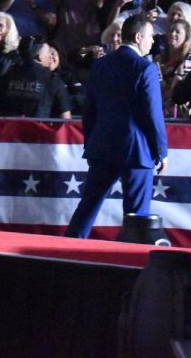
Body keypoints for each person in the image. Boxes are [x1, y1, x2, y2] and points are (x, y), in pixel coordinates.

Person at [66, 14, 168, 239]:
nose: (153, 41)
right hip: (136, 150)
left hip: (102, 147)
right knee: (136, 217)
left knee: (88, 206)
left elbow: (89, 110)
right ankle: (131, 259)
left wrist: (90, 143)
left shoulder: (100, 65)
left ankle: (68, 251)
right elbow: (153, 115)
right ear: (139, 37)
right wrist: (162, 151)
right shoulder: (145, 68)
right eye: (151, 36)